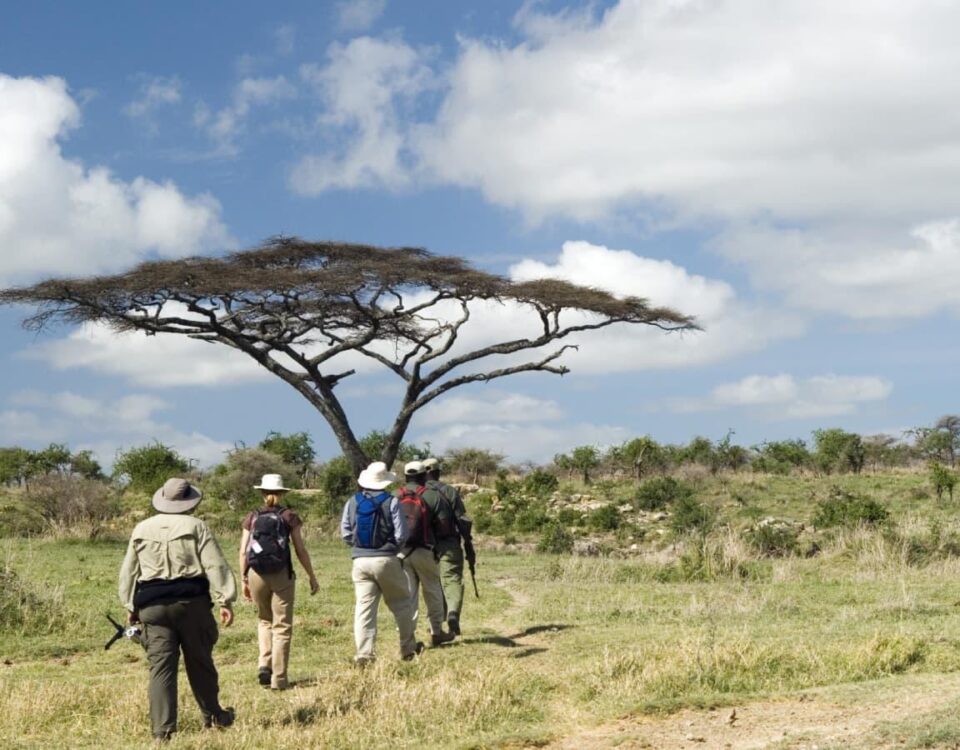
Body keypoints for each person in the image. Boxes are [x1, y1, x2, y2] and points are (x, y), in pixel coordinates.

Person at [118, 477, 237, 743]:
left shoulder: (142, 528)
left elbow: (129, 571)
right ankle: (214, 716)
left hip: (152, 606)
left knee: (161, 668)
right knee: (200, 663)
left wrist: (130, 606)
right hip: (191, 604)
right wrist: (224, 600)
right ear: (189, 502)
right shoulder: (197, 526)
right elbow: (215, 565)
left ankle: (162, 732)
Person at [239, 473, 319, 690]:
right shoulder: (289, 516)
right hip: (282, 573)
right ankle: (279, 679)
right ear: (282, 493)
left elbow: (243, 551)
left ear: (263, 493)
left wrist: (244, 579)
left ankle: (264, 664)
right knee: (282, 626)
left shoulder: (252, 517)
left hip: (256, 573)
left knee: (264, 620)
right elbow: (300, 550)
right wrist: (311, 575)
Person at [340, 461, 422, 663]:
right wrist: (392, 549)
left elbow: (345, 533)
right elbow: (401, 533)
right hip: (386, 558)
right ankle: (408, 648)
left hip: (360, 560)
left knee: (364, 609)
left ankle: (364, 653)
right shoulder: (391, 501)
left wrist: (358, 546)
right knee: (401, 604)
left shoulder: (353, 501)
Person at [396, 461, 456, 647]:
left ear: (405, 477)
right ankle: (436, 632)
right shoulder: (432, 495)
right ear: (424, 477)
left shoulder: (394, 495)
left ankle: (407, 636)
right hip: (425, 550)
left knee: (408, 595)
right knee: (432, 590)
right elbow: (444, 526)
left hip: (401, 552)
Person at [422, 457, 475, 636]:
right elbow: (462, 519)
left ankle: (435, 624)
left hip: (424, 545)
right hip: (449, 542)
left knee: (432, 584)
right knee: (451, 580)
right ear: (438, 472)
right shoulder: (450, 491)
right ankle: (452, 613)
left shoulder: (419, 492)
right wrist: (467, 542)